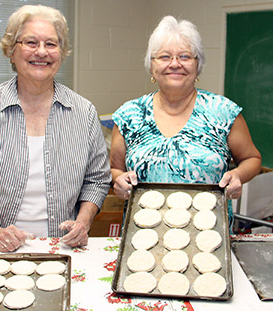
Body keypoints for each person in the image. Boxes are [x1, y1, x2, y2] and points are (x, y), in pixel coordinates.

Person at [0, 4, 111, 252]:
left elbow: (97, 180)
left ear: (61, 53)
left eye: (51, 44)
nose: (41, 52)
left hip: (63, 248)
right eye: (31, 42)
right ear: (11, 51)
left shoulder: (83, 113)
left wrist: (83, 222)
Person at [110, 16, 261, 226]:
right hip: (142, 234)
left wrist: (237, 175)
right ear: (151, 67)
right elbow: (116, 169)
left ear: (197, 65)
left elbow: (252, 159)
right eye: (164, 57)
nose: (175, 64)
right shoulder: (129, 115)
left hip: (210, 233)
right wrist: (118, 180)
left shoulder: (223, 112)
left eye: (185, 56)